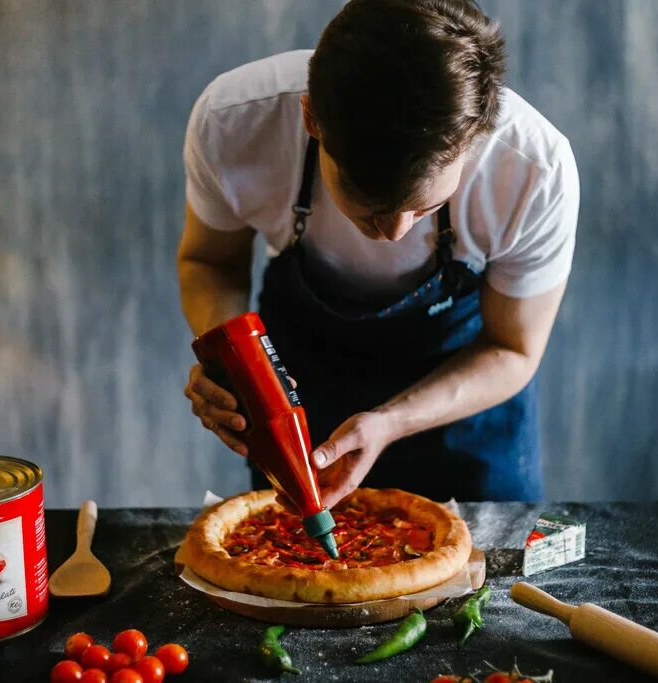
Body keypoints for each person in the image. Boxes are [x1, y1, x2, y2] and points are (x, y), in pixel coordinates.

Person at [178, 0, 579, 507]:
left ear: (474, 141)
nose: (393, 233)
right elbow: (210, 263)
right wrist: (237, 363)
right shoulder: (234, 122)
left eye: (426, 206)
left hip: (461, 408)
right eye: (369, 207)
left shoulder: (535, 171)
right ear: (311, 119)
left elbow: (514, 349)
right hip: (305, 391)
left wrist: (391, 421)